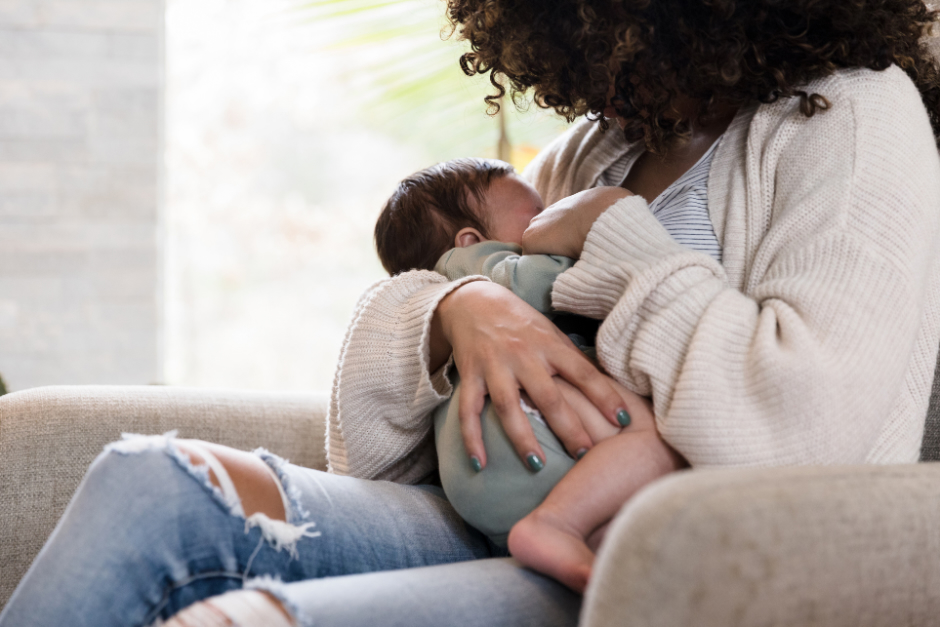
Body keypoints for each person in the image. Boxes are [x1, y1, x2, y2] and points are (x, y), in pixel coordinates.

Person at [2, 0, 939, 625]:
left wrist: (617, 238)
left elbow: (809, 431)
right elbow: (366, 445)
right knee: (151, 481)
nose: (578, 84)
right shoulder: (600, 145)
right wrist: (463, 305)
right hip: (499, 516)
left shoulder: (849, 116)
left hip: (658, 560)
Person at [373, 157, 697, 590]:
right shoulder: (477, 267)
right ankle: (555, 524)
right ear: (471, 240)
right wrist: (588, 230)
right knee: (660, 441)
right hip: (515, 435)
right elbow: (553, 281)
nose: (546, 221)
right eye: (537, 214)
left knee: (616, 550)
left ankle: (569, 540)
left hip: (477, 476)